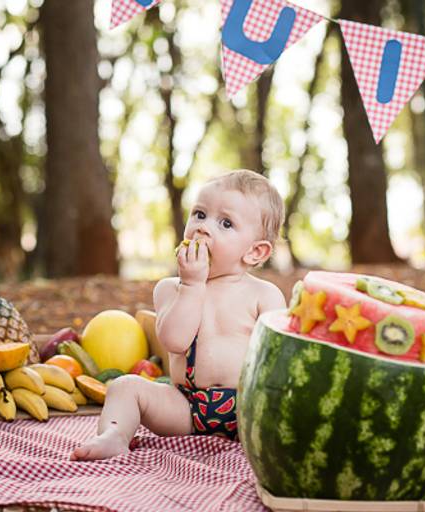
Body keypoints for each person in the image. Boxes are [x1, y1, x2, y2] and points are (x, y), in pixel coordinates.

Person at [70, 169, 287, 461]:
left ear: (255, 252)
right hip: (185, 406)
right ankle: (114, 435)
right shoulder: (171, 289)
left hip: (248, 407)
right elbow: (174, 341)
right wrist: (192, 285)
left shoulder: (264, 295)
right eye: (199, 214)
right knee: (123, 387)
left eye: (225, 223)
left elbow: (278, 361)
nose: (203, 228)